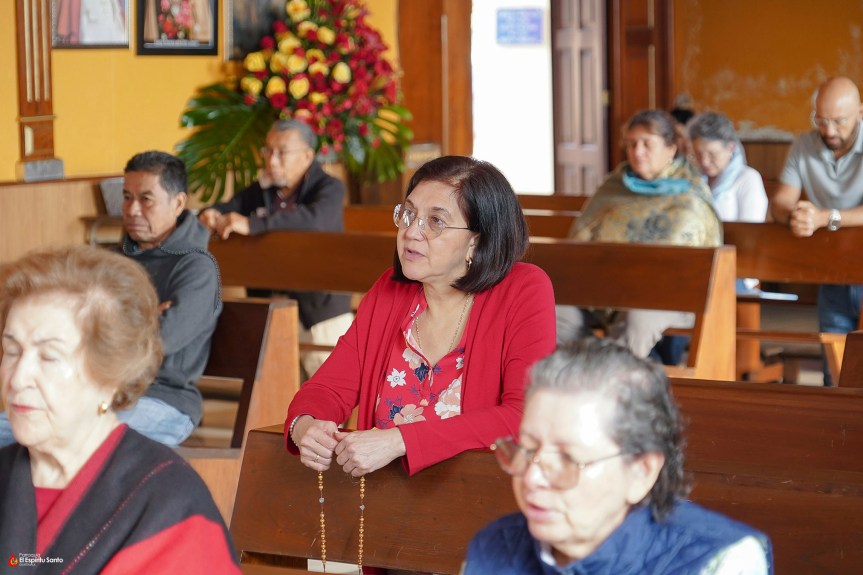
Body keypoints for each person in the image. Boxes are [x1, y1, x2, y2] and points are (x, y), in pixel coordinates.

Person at [286, 155, 557, 476]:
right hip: (381, 504)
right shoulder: (390, 290)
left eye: (435, 221)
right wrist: (306, 425)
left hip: (482, 500)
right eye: (409, 214)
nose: (412, 232)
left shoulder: (523, 288)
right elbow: (328, 388)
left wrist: (401, 441)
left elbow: (524, 415)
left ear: (476, 240)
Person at [0, 246, 240, 573]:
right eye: (11, 350)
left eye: (48, 357)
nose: (18, 378)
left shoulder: (169, 503)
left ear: (110, 375)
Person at [463, 338, 773, 574]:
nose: (531, 477)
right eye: (528, 449)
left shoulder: (717, 561)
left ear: (641, 472)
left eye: (569, 459)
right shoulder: (492, 547)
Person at [556, 109, 722, 361]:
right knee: (556, 314)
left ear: (670, 148)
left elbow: (695, 258)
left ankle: (613, 384)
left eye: (647, 144)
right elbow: (581, 240)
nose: (637, 152)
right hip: (604, 290)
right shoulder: (613, 187)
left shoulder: (690, 195)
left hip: (670, 297)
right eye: (632, 144)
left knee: (637, 320)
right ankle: (583, 373)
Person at [198, 119, 352, 377]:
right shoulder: (261, 190)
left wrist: (252, 224)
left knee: (333, 387)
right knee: (272, 384)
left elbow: (313, 221)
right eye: (268, 150)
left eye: (282, 152)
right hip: (270, 299)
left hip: (319, 305)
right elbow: (227, 207)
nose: (272, 159)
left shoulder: (329, 187)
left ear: (307, 155)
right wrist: (211, 214)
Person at [119, 151, 222, 445]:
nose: (132, 210)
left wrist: (110, 319)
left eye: (146, 199)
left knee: (83, 442)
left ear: (178, 203)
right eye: (127, 197)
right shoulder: (115, 259)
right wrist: (146, 315)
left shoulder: (196, 267)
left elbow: (161, 341)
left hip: (162, 398)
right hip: (98, 393)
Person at [770, 76, 863, 385]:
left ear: (860, 112)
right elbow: (781, 202)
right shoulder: (804, 144)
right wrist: (796, 216)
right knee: (833, 374)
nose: (829, 130)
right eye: (821, 120)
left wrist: (826, 217)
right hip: (831, 269)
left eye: (839, 121)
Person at [689, 111, 768, 223]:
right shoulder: (692, 177)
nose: (704, 161)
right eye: (698, 154)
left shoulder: (748, 179)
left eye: (712, 154)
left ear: (730, 148)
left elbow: (751, 232)